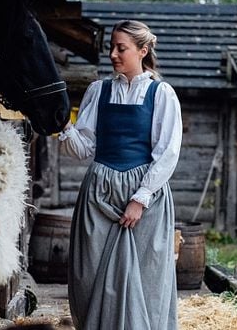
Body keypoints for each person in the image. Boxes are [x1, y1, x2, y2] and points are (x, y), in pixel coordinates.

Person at [58, 20, 182, 330]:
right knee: (89, 274)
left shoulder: (161, 93)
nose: (113, 54)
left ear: (142, 51)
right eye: (111, 47)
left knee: (146, 278)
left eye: (120, 48)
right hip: (98, 193)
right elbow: (84, 147)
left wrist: (140, 199)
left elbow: (167, 153)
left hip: (144, 197)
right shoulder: (98, 90)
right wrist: (62, 127)